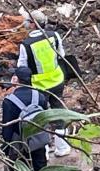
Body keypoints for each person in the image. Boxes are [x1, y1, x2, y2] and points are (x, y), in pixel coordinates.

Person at [18, 12, 71, 157]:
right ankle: (63, 147)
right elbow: (62, 55)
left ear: (33, 24)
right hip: (57, 80)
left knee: (40, 117)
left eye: (28, 21)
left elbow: (22, 67)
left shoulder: (26, 44)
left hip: (39, 86)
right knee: (59, 112)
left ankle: (44, 152)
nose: (25, 24)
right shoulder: (54, 35)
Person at [1, 66, 51, 171]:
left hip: (20, 146)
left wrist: (6, 148)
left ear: (15, 79)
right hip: (38, 143)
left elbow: (7, 131)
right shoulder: (40, 96)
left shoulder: (9, 101)